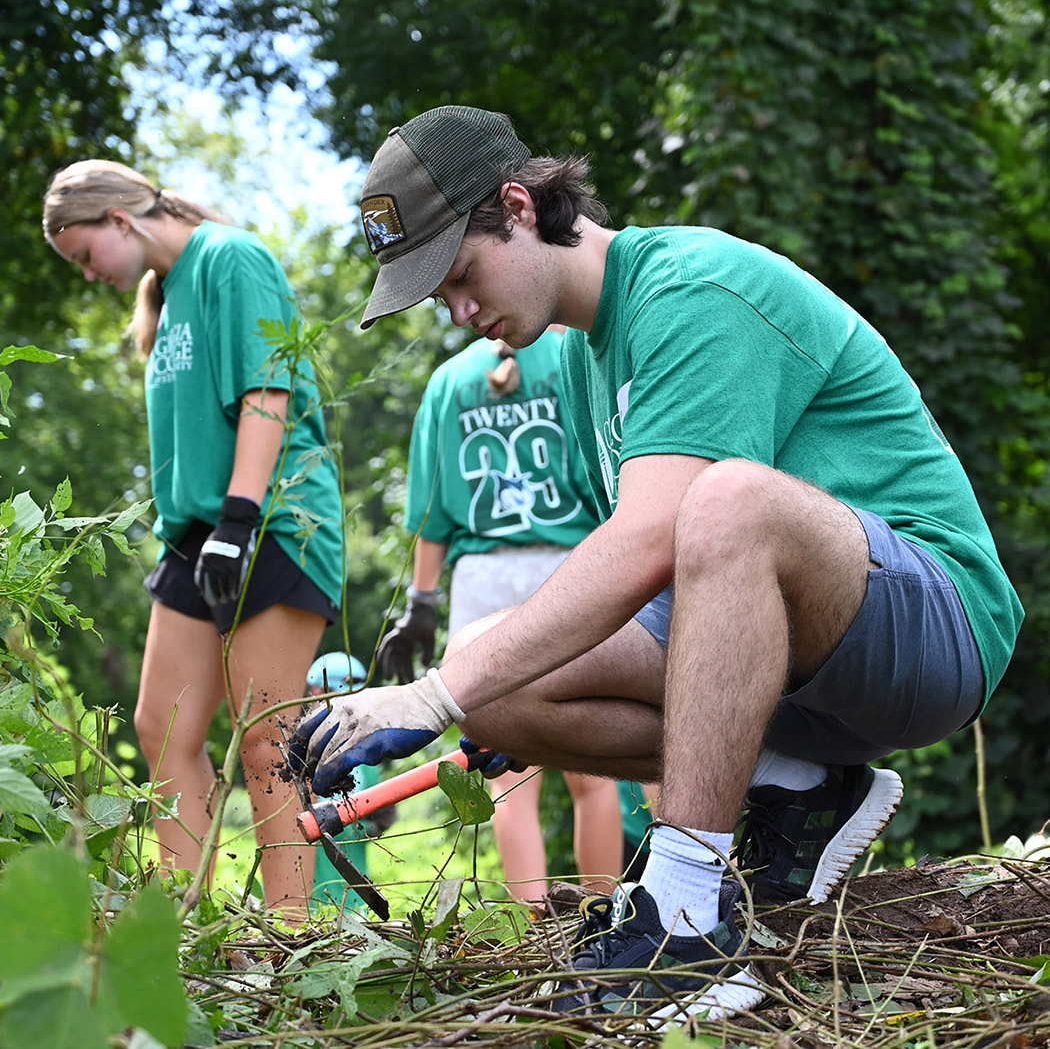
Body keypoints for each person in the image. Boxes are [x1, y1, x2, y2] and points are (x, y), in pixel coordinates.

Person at [291, 106, 1023, 1020]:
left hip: (931, 623)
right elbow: (651, 594)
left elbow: (651, 543)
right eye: (440, 299)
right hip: (799, 669)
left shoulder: (690, 286)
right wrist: (490, 695)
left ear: (518, 206)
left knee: (725, 500)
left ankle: (686, 920)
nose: (461, 313)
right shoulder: (591, 358)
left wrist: (429, 695)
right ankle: (797, 785)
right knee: (500, 663)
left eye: (459, 276)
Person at [44, 160, 344, 919]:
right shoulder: (165, 294)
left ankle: (291, 942)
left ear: (118, 220)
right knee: (161, 727)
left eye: (83, 256)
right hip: (194, 535)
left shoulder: (229, 258)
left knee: (266, 740)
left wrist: (240, 521)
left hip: (272, 521)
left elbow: (266, 392)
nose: (87, 275)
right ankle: (187, 927)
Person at [377, 325, 623, 903]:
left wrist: (421, 603)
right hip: (574, 568)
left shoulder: (447, 382)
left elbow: (431, 514)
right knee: (595, 773)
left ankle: (535, 927)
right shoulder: (573, 358)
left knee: (508, 778)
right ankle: (604, 913)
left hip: (481, 582)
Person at [307, 652, 393, 912]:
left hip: (353, 901)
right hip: (306, 901)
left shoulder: (364, 754)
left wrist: (377, 818)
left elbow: (376, 820)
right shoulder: (301, 752)